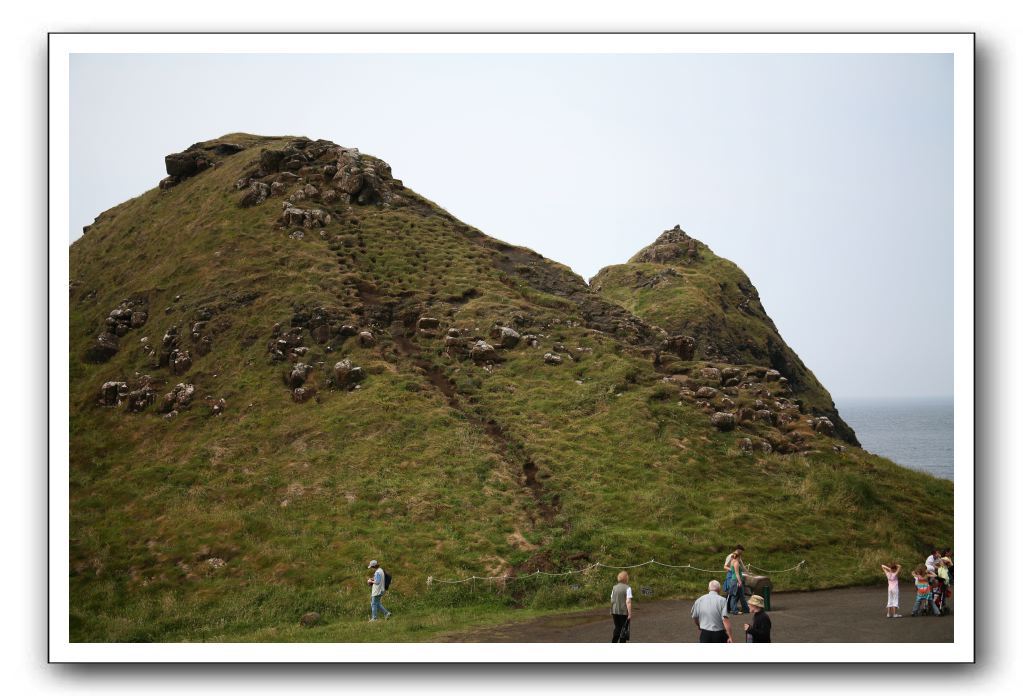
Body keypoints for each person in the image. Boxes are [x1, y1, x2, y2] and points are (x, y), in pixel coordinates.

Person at [610, 571, 633, 643]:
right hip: (623, 612)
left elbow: (612, 600)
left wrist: (611, 610)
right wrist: (629, 614)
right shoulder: (628, 588)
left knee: (617, 628)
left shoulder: (614, 587)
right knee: (624, 630)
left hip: (614, 611)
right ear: (626, 578)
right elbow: (628, 601)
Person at [727, 547, 750, 615]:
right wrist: (739, 581)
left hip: (734, 580)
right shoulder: (736, 562)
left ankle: (746, 609)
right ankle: (735, 611)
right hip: (736, 581)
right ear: (739, 556)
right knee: (735, 596)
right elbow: (737, 573)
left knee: (741, 595)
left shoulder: (732, 561)